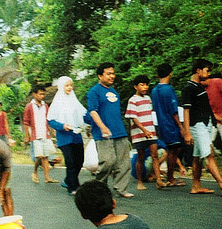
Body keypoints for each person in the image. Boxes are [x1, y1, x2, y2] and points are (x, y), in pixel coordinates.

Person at [182, 59, 222, 196]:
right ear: (198, 70)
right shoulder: (189, 89)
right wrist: (187, 132)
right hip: (197, 125)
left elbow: (207, 109)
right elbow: (186, 111)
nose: (209, 73)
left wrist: (221, 120)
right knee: (209, 155)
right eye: (207, 70)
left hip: (206, 124)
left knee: (197, 157)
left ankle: (195, 186)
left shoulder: (200, 87)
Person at [86, 62, 133, 198]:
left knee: (123, 162)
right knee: (107, 162)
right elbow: (93, 112)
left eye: (113, 73)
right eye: (108, 74)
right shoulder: (94, 91)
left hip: (119, 131)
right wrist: (103, 127)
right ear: (100, 76)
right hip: (103, 133)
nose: (112, 76)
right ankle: (99, 187)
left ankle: (121, 189)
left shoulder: (114, 92)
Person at [125, 74, 167, 190]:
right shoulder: (133, 100)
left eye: (146, 85)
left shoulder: (148, 99)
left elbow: (149, 115)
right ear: (136, 87)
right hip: (139, 134)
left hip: (151, 132)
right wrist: (144, 130)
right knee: (141, 157)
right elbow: (133, 117)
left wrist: (151, 130)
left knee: (154, 155)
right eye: (142, 85)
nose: (145, 87)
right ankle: (139, 181)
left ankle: (158, 180)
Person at [48, 76, 87, 195]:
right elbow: (50, 120)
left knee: (79, 161)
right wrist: (62, 126)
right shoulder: (57, 101)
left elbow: (83, 114)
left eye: (71, 85)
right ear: (61, 86)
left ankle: (68, 180)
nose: (69, 88)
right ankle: (74, 187)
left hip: (76, 134)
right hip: (64, 136)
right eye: (67, 85)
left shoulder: (73, 100)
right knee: (70, 162)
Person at [151, 63, 187, 187]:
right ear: (170, 73)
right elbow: (173, 110)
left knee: (171, 149)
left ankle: (169, 176)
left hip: (160, 124)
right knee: (173, 150)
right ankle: (171, 178)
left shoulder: (154, 90)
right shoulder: (168, 89)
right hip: (170, 124)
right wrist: (181, 127)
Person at [23, 84, 58, 184]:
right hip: (35, 134)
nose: (42, 96)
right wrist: (27, 136)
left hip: (45, 133)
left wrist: (52, 130)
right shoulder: (29, 107)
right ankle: (34, 172)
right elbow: (26, 122)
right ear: (34, 94)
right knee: (39, 156)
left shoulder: (45, 106)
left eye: (43, 94)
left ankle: (47, 177)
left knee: (46, 156)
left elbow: (48, 119)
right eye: (40, 94)